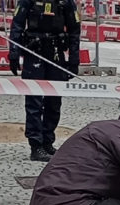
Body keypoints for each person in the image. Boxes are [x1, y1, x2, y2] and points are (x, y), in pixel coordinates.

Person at [9, 0, 81, 162]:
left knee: (54, 102)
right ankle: (36, 145)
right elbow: (17, 24)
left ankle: (48, 141)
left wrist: (74, 60)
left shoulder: (65, 2)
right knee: (34, 101)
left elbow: (74, 30)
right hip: (34, 52)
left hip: (56, 54)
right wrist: (13, 53)